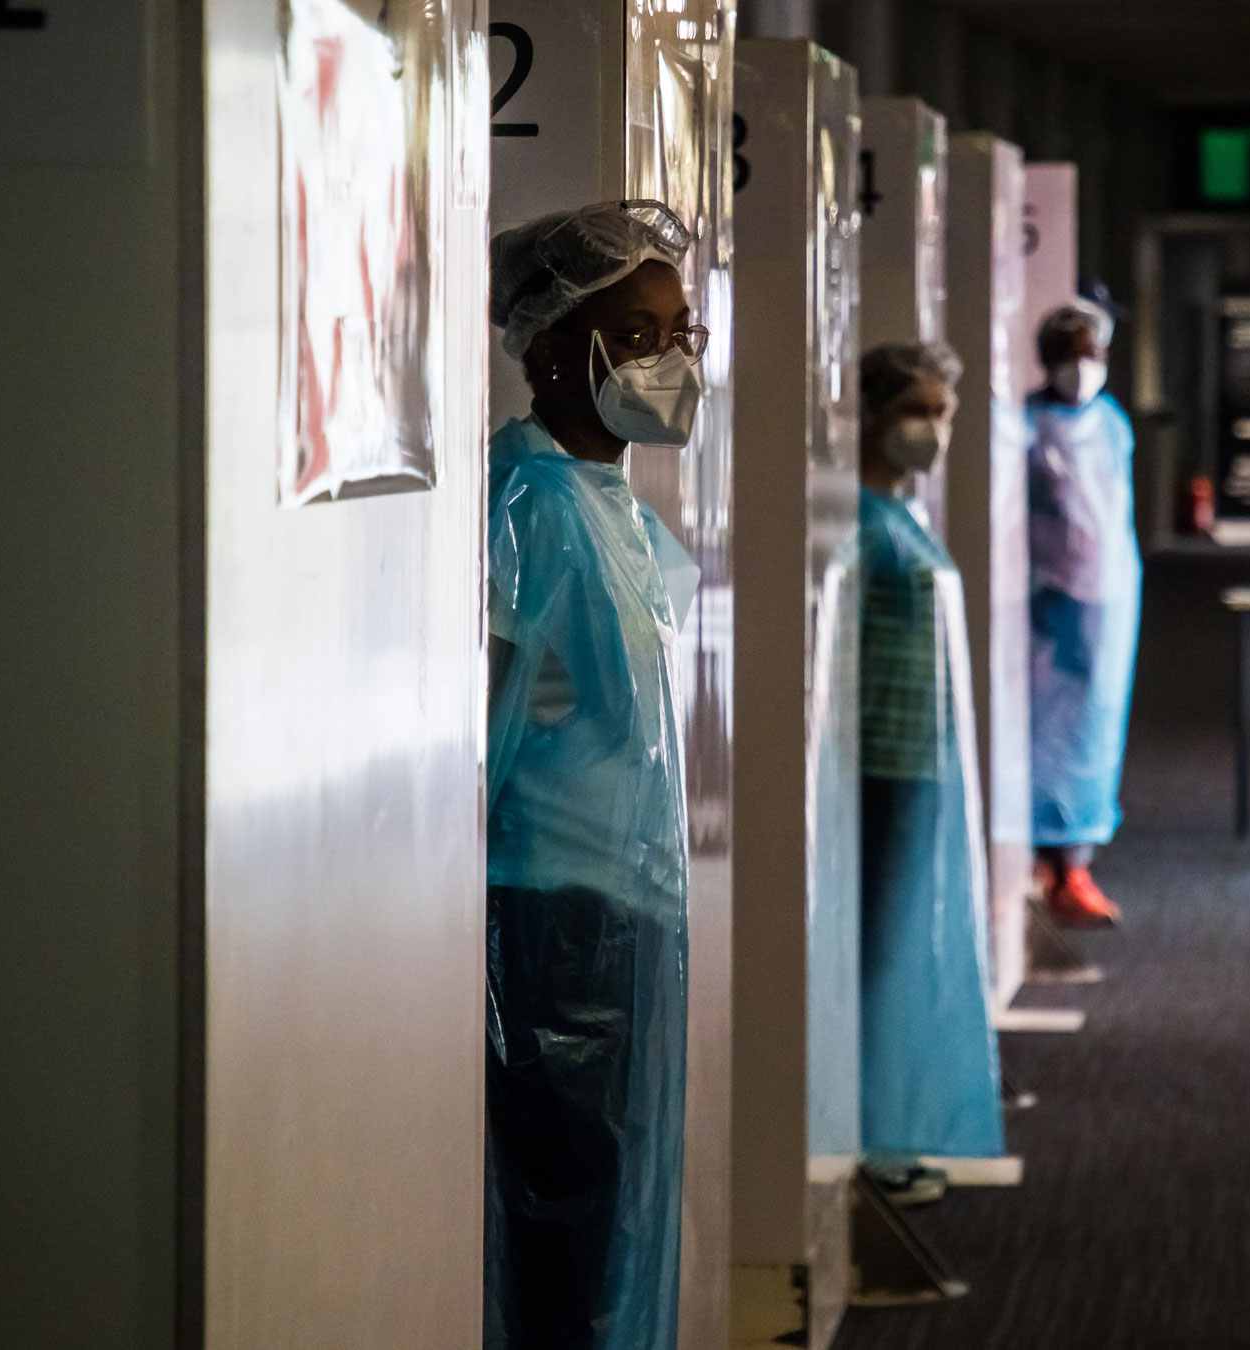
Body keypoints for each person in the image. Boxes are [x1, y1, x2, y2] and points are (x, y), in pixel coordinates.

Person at [484, 199, 705, 1350]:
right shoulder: (524, 503)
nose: (672, 359)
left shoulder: (607, 501)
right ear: (555, 347)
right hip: (554, 919)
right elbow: (483, 742)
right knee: (564, 1235)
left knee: (612, 1216)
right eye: (641, 330)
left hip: (626, 909)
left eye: (682, 332)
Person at [855, 342, 1007, 1206]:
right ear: (873, 412)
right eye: (919, 410)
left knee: (902, 939)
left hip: (921, 762)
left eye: (943, 414)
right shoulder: (859, 525)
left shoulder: (904, 516)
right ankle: (867, 1128)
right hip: (877, 765)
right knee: (875, 946)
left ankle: (891, 1119)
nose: (933, 430)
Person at [1026, 299, 1142, 929]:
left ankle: (1077, 862)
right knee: (1046, 728)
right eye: (1070, 351)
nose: (1083, 365)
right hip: (1048, 602)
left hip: (1112, 595)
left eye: (1091, 351)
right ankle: (1048, 861)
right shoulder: (1026, 424)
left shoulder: (1112, 424)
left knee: (1096, 727)